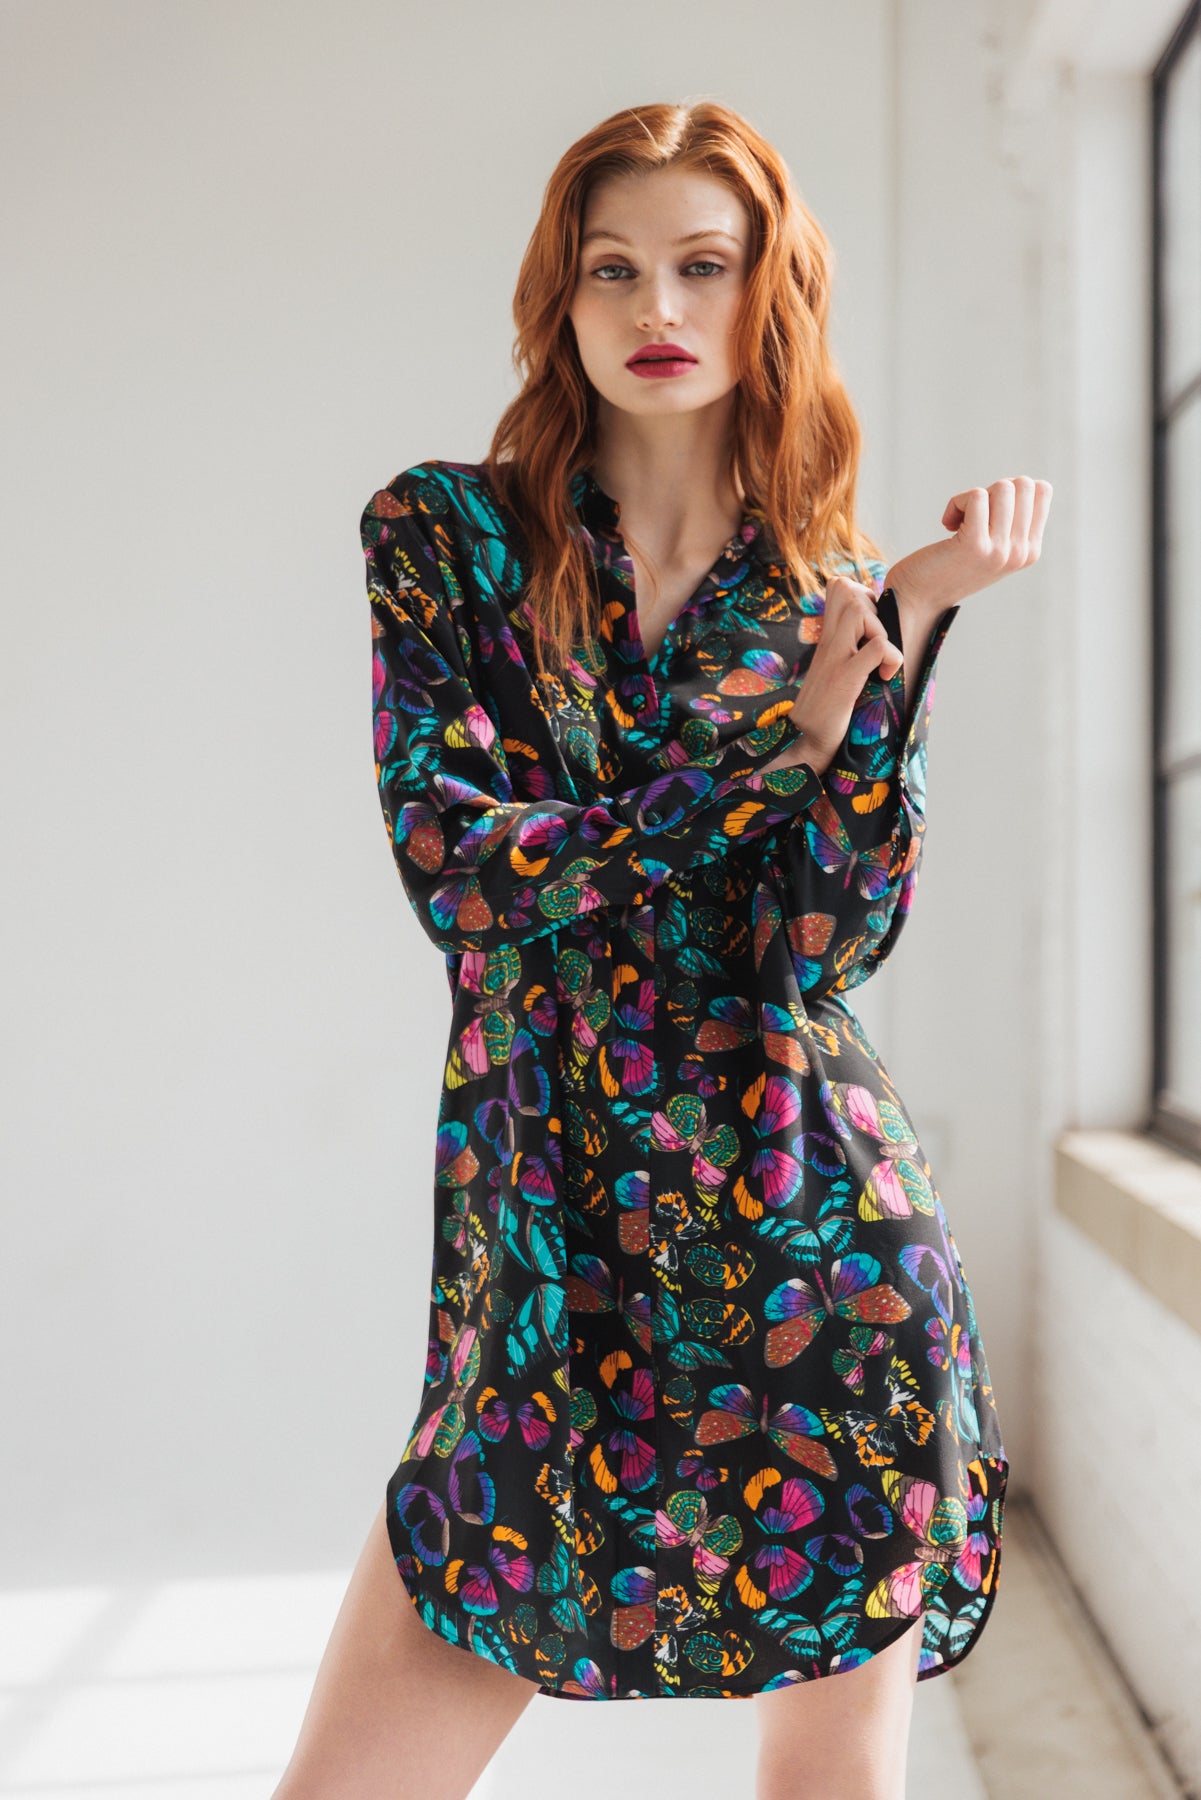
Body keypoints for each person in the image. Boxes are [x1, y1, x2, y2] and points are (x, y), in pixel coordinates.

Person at [273, 100, 1049, 1800]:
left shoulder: (828, 595)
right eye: (609, 268)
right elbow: (467, 877)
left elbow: (822, 939)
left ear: (767, 293)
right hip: (547, 1251)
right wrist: (774, 750)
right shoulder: (447, 541)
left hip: (811, 1242)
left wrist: (895, 648)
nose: (652, 308)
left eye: (702, 265)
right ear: (559, 297)